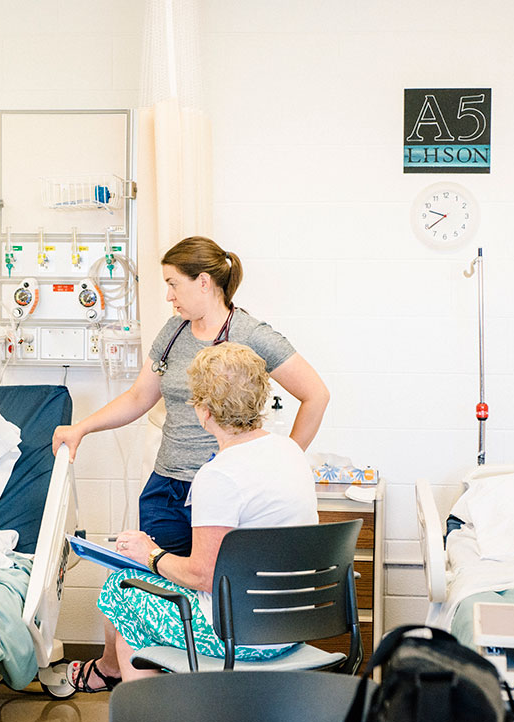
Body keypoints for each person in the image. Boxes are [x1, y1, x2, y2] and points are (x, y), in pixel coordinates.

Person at [52, 236, 328, 692]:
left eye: (173, 284)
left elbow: (316, 394)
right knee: (151, 590)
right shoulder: (173, 332)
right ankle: (155, 691)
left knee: (183, 589)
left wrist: (280, 457)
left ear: (205, 283)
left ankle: (175, 713)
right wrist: (83, 427)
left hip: (226, 494)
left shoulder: (253, 335)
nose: (168, 295)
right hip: (169, 488)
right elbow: (142, 397)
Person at [97, 343, 319, 681]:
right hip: (293, 625)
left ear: (203, 411)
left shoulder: (219, 475)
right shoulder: (290, 451)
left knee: (122, 587)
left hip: (241, 636)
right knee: (139, 592)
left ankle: (149, 721)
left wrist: (150, 554)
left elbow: (202, 575)